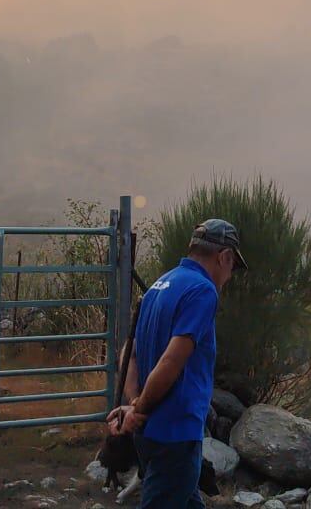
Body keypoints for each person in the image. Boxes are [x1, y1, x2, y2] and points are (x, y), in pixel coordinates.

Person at [107, 218, 247, 509]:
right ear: (224, 257)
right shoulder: (202, 290)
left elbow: (128, 353)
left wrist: (134, 403)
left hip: (150, 434)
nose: (229, 275)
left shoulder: (159, 286)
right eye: (232, 266)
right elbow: (172, 360)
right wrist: (139, 409)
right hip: (175, 432)